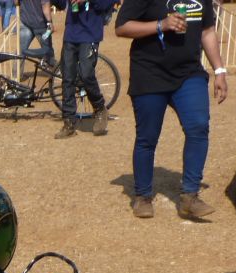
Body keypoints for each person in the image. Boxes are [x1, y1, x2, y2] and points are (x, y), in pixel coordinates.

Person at [114, 0, 227, 220]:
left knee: (198, 126)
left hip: (189, 73)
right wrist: (161, 25)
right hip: (149, 72)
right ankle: (143, 196)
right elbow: (122, 27)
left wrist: (219, 70)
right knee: (147, 137)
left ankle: (190, 195)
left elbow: (207, 31)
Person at [52, 0, 115, 139]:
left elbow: (107, 3)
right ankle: (69, 122)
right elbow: (61, 5)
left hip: (90, 32)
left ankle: (99, 108)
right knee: (67, 78)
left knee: (86, 74)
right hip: (71, 33)